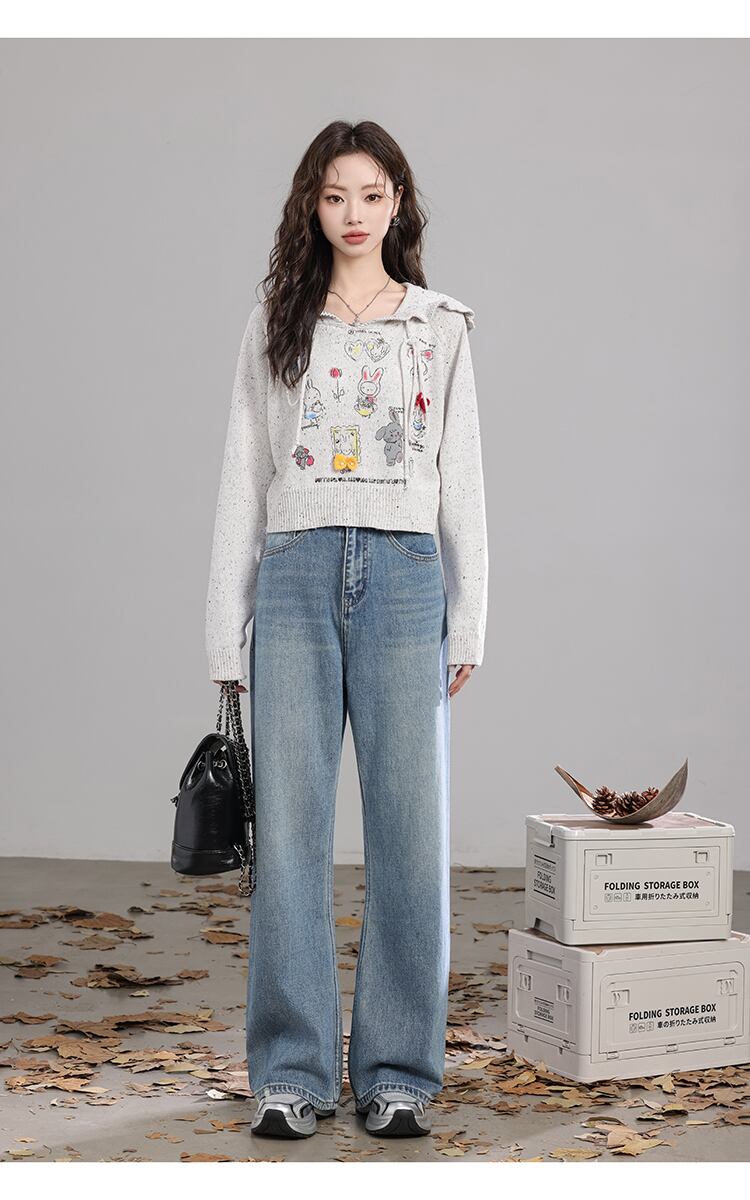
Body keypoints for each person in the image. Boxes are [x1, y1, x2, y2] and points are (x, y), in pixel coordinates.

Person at [205, 119, 488, 1140]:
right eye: (334, 196)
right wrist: (223, 629)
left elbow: (463, 477)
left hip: (407, 581)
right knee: (288, 835)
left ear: (398, 201)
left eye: (371, 195)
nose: (354, 214)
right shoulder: (277, 320)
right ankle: (291, 1073)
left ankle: (399, 1072)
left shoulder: (438, 325)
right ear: (311, 206)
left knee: (411, 835)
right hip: (294, 576)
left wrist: (470, 619)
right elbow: (245, 470)